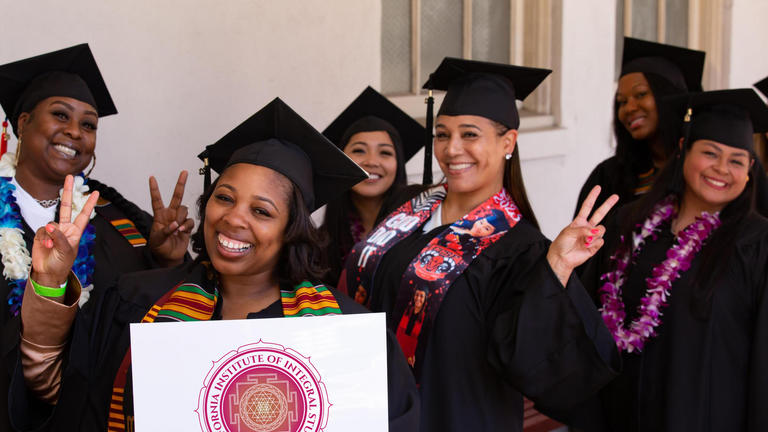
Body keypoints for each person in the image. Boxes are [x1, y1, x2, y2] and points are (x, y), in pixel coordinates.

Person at [8, 98, 420, 432]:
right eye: (224, 198)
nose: (234, 218)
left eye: (261, 211)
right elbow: (54, 390)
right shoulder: (134, 302)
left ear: (291, 231)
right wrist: (47, 283)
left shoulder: (343, 331)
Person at [339, 57, 620, 432]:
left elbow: (526, 359)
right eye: (442, 134)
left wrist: (556, 268)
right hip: (378, 410)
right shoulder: (406, 204)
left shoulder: (521, 248)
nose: (452, 149)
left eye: (469, 134)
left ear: (508, 142)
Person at [0, 44, 192, 430]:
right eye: (60, 115)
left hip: (100, 413)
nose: (75, 132)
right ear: (22, 122)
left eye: (89, 125)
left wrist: (165, 259)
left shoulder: (114, 214)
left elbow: (147, 312)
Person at [580, 88, 768, 431]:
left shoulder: (758, 245)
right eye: (710, 153)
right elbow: (585, 319)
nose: (722, 169)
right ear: (683, 150)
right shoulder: (630, 224)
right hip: (623, 416)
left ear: (750, 170)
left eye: (736, 161)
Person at [575, 37, 705, 215]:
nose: (629, 108)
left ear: (670, 96)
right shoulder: (609, 176)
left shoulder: (703, 169)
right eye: (622, 101)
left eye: (641, 94)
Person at [320, 86, 424, 285]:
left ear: (398, 165)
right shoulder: (320, 242)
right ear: (340, 160)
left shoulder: (421, 231)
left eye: (385, 152)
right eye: (359, 150)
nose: (371, 161)